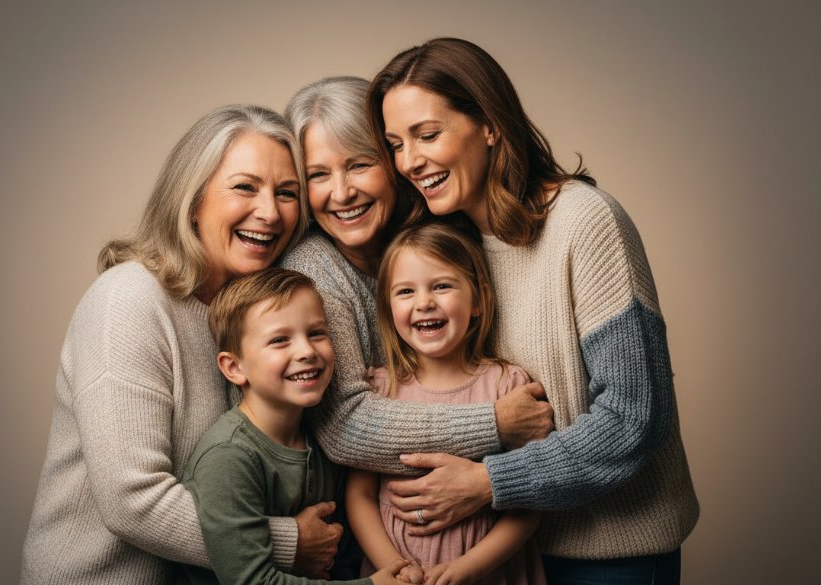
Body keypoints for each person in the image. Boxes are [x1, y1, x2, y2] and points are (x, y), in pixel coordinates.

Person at [366, 38, 700, 584]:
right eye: (396, 144)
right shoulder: (449, 248)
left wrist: (487, 483)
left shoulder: (585, 222)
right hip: (506, 558)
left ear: (491, 125)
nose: (409, 161)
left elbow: (635, 416)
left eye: (428, 135)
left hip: (612, 554)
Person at [21, 105, 339, 584]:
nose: (270, 212)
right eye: (245, 186)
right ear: (193, 201)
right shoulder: (128, 300)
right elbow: (134, 502)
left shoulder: (254, 313)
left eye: (287, 193)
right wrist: (290, 541)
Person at [279, 76, 555, 480]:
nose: (341, 193)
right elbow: (344, 428)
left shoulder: (441, 230)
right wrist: (495, 423)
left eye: (359, 164)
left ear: (394, 160)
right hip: (373, 517)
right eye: (318, 175)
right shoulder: (311, 270)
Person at [181, 268, 409, 585]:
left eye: (316, 333)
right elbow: (251, 581)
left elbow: (340, 555)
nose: (306, 351)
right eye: (279, 340)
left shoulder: (321, 440)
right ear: (234, 367)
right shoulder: (229, 457)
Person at [346, 223, 545, 585]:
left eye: (442, 285)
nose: (424, 302)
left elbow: (530, 503)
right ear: (388, 310)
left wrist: (468, 568)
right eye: (405, 291)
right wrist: (394, 567)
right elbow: (359, 496)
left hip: (489, 571)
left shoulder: (508, 387)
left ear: (479, 300)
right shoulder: (379, 390)